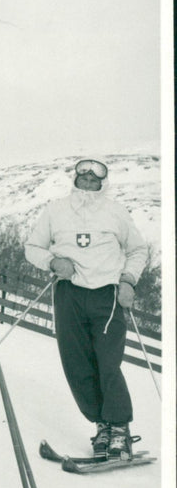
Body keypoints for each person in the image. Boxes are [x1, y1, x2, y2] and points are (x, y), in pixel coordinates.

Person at [24, 158, 148, 459]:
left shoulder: (115, 211)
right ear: (75, 180)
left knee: (108, 362)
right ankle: (102, 425)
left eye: (95, 179)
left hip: (107, 294)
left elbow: (138, 249)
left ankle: (120, 428)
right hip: (69, 293)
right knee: (76, 363)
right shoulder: (56, 210)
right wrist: (53, 262)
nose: (89, 182)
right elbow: (33, 247)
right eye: (84, 177)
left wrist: (129, 281)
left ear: (103, 183)